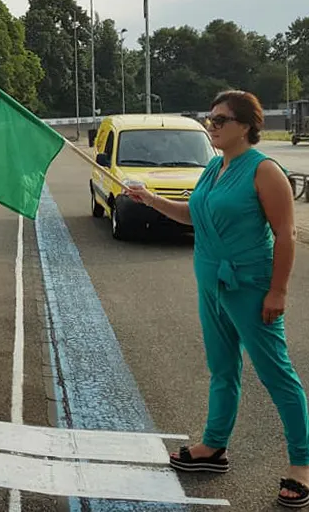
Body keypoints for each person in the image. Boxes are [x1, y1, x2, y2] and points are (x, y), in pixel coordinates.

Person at [126, 90, 308, 508]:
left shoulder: (265, 171)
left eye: (221, 120)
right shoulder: (213, 167)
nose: (212, 126)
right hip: (210, 283)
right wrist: (150, 200)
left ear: (246, 126)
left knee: (277, 375)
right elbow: (195, 213)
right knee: (222, 369)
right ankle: (214, 446)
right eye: (210, 119)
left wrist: (278, 290)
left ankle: (302, 465)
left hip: (251, 285)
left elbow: (286, 234)